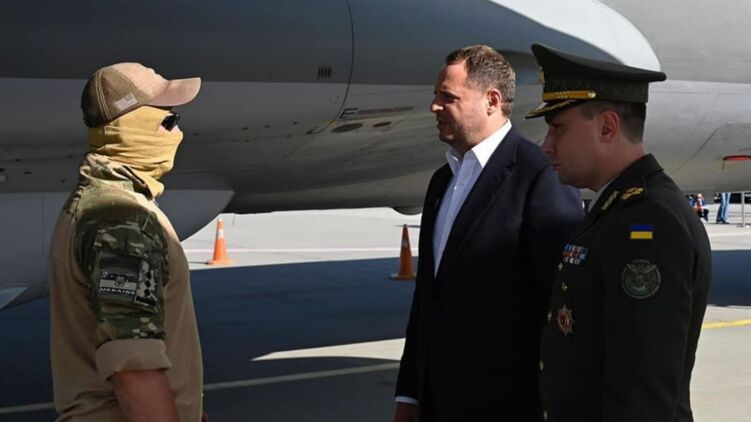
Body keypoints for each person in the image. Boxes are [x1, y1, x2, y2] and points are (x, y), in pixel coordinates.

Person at [394, 45, 584, 422]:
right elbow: (427, 299)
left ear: (492, 101)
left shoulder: (539, 177)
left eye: (448, 97)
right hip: (437, 404)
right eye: (436, 95)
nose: (434, 106)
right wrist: (410, 393)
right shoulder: (442, 182)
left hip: (506, 407)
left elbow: (558, 305)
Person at [527, 43, 712, 422]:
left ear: (607, 127)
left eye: (557, 128)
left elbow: (643, 393)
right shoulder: (616, 210)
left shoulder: (648, 222)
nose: (546, 146)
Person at [49, 63, 204, 421]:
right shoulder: (121, 219)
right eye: (169, 120)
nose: (178, 132)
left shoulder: (99, 201)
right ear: (132, 127)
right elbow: (133, 367)